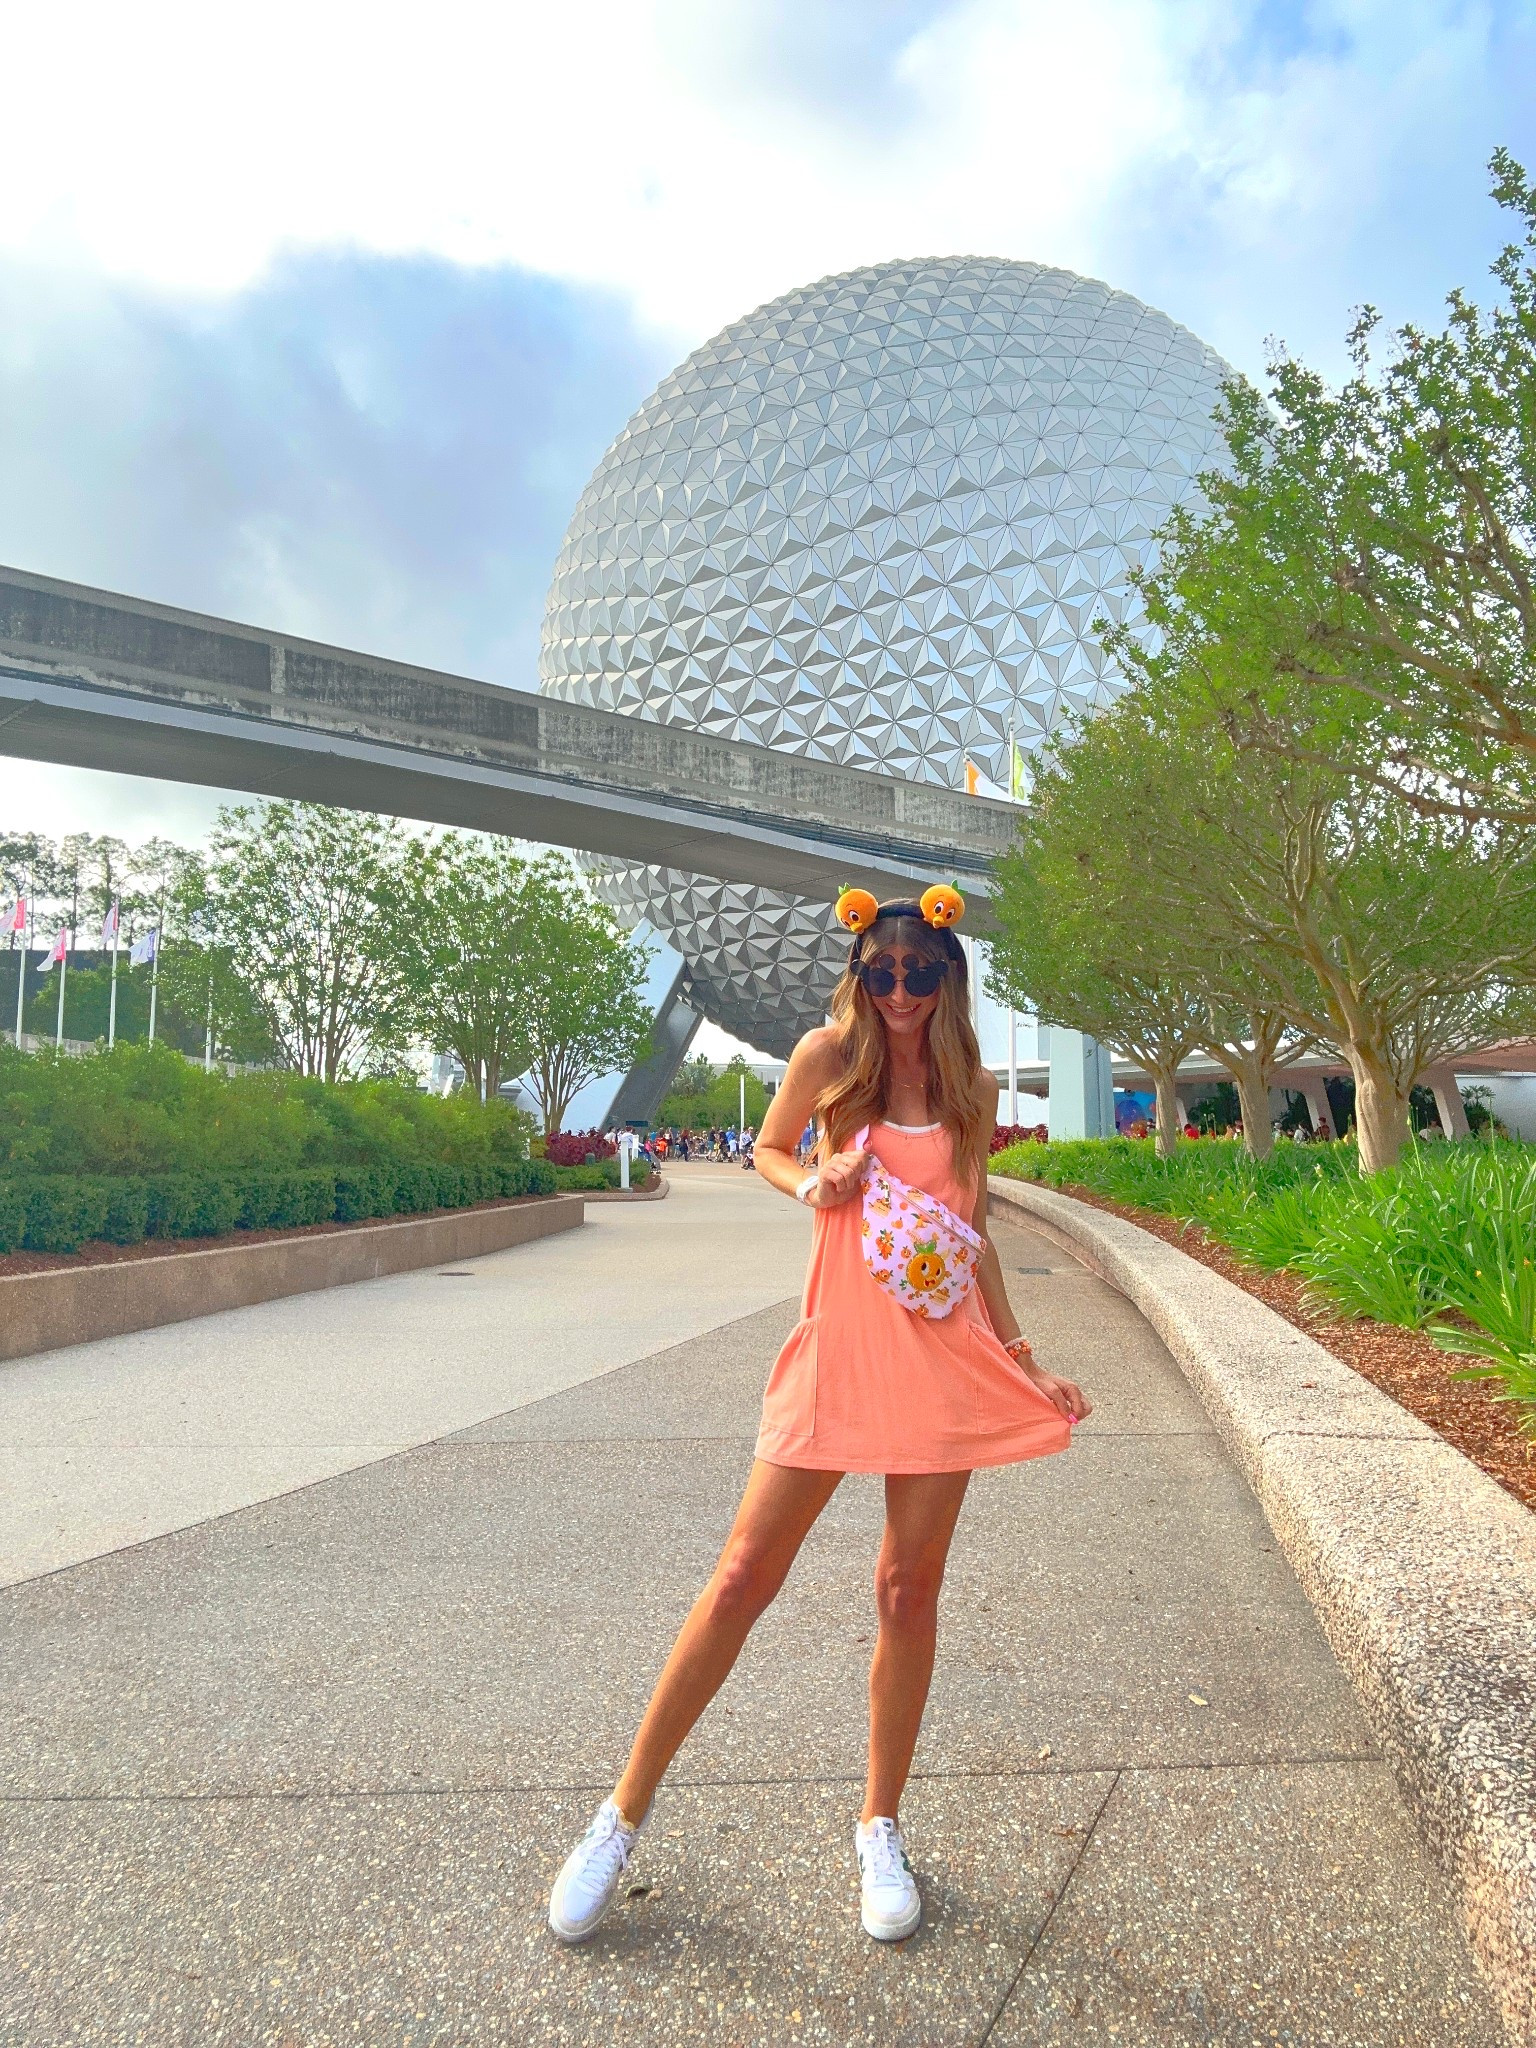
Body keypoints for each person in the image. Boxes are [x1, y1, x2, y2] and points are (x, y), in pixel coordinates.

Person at [548, 892, 1091, 1948]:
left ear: (946, 977)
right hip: (838, 1346)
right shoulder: (826, 1056)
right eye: (880, 970)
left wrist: (1024, 1357)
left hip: (940, 1361)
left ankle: (879, 1824)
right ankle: (619, 1815)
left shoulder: (972, 1088)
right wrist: (818, 1177)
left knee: (906, 1585)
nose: (896, 990)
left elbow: (971, 1234)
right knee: (744, 1572)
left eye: (917, 972)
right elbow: (768, 1148)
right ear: (857, 970)